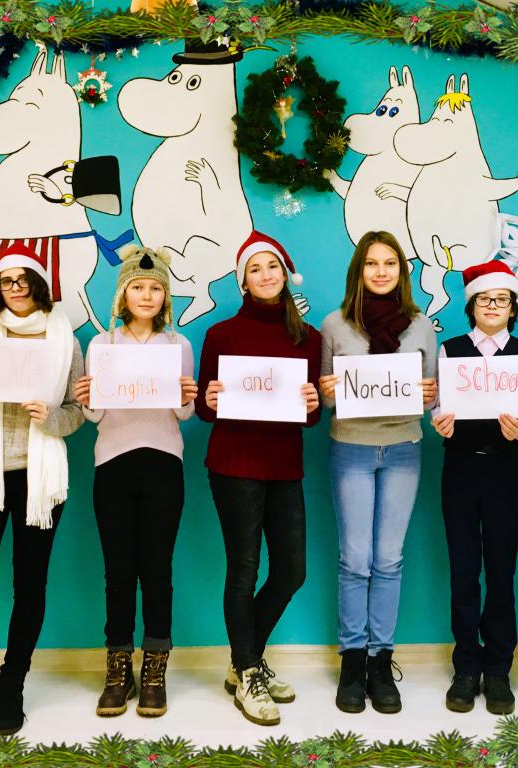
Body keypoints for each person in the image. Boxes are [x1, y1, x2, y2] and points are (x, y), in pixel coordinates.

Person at [0, 244, 84, 735]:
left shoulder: (64, 339)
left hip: (38, 477)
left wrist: (51, 419)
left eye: (25, 280)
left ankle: (12, 684)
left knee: (29, 585)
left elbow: (76, 411)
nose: (16, 288)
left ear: (39, 285)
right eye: (7, 281)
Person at [196, 231, 321, 727]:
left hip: (284, 465)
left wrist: (312, 403)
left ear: (286, 276)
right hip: (234, 465)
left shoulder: (308, 338)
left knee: (292, 570)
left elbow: (309, 417)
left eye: (273, 267)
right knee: (244, 570)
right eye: (255, 269)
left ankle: (243, 659)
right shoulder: (221, 335)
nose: (265, 275)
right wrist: (209, 398)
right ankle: (249, 671)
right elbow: (206, 408)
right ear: (243, 281)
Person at [74, 245, 197, 718]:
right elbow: (95, 416)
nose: (146, 295)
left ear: (165, 297)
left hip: (164, 460)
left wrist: (186, 397)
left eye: (155, 288)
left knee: (158, 568)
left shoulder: (178, 346)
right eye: (137, 287)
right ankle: (118, 665)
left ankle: (155, 667)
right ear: (122, 294)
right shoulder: (102, 345)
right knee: (119, 570)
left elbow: (182, 414)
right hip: (113, 461)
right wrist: (87, 398)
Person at [318, 231, 438, 715]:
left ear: (402, 271)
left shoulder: (421, 327)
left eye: (390, 263)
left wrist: (429, 395)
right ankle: (352, 661)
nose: (382, 271)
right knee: (355, 558)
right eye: (372, 263)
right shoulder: (335, 325)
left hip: (404, 448)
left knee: (389, 558)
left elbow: (429, 397)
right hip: (351, 448)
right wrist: (328, 390)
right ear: (359, 271)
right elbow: (325, 397)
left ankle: (380, 660)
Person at [431, 261, 518, 716]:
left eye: (501, 299)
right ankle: (466, 665)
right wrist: (439, 422)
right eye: (484, 299)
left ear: (513, 307)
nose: (492, 306)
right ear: (471, 305)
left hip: (505, 471)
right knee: (463, 572)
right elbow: (439, 407)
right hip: (459, 470)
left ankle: (498, 668)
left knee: (500, 572)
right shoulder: (450, 350)